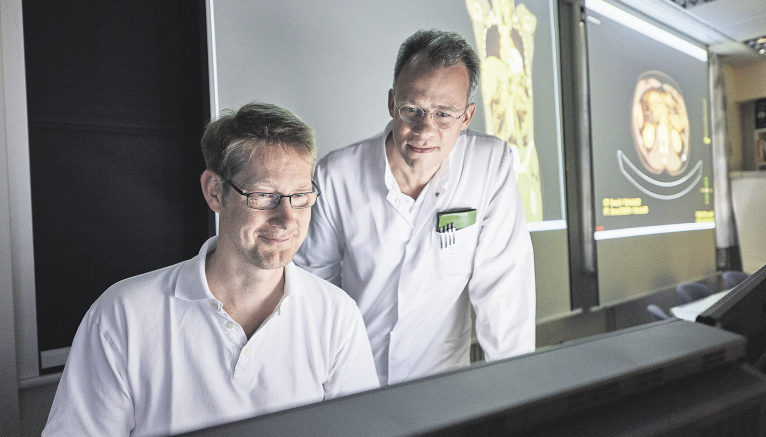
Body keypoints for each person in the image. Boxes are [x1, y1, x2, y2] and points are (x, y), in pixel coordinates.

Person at [43, 103, 379, 436]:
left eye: (301, 196)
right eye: (264, 196)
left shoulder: (337, 316)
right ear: (214, 191)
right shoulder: (122, 315)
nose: (287, 219)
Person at [295, 29, 535, 386]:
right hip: (356, 381)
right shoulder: (337, 174)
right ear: (392, 103)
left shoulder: (490, 165)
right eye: (413, 110)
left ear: (467, 117)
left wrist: (517, 397)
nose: (425, 131)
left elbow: (504, 294)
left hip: (443, 386)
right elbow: (313, 288)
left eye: (444, 114)